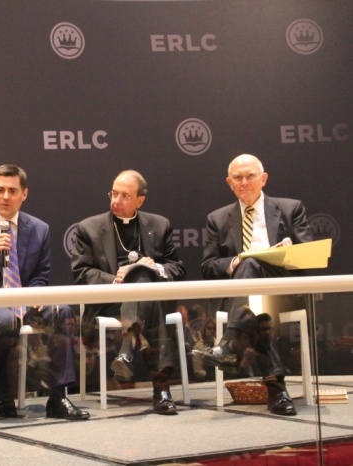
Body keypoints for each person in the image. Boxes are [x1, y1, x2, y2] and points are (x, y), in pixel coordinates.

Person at [0, 164, 88, 421]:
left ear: (24, 194)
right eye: (0, 190)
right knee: (6, 318)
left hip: (24, 300)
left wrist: (35, 296)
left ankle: (59, 397)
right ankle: (1, 391)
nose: (5, 196)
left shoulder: (39, 228)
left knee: (62, 310)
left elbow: (41, 276)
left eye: (12, 190)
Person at [198, 154, 313, 415]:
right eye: (238, 178)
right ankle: (276, 389)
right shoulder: (217, 219)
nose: (245, 182)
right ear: (229, 182)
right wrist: (234, 262)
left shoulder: (289, 209)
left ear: (264, 179)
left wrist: (285, 253)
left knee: (253, 268)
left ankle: (229, 342)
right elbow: (208, 266)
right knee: (250, 277)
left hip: (281, 289)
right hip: (245, 298)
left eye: (251, 176)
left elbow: (308, 256)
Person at [71, 170, 186, 415]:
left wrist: (157, 268)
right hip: (109, 302)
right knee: (141, 283)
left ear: (139, 201)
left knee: (144, 275)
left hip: (150, 302)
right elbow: (82, 274)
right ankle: (162, 387)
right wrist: (117, 280)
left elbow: (177, 268)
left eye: (124, 196)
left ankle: (127, 346)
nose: (116, 200)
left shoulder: (159, 225)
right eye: (114, 193)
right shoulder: (88, 228)